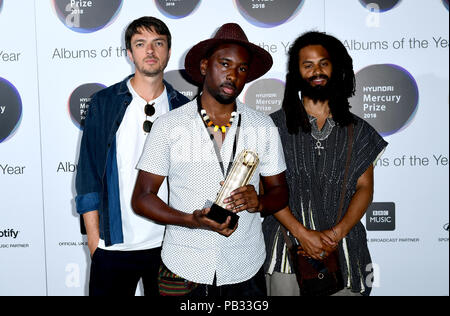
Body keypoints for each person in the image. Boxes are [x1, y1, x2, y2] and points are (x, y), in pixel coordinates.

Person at [131, 23, 289, 297]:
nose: (233, 75)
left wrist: (259, 201)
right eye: (224, 63)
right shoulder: (168, 126)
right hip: (183, 266)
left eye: (241, 68)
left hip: (244, 268)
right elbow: (142, 197)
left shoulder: (263, 126)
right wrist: (191, 220)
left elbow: (281, 192)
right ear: (205, 66)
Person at [263, 31, 388, 296]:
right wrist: (303, 233)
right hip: (286, 253)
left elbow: (365, 188)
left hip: (344, 253)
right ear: (297, 73)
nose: (316, 70)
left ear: (335, 68)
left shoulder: (359, 130)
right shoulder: (272, 126)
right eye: (307, 65)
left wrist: (336, 233)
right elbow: (266, 191)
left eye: (323, 63)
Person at [75, 16, 189, 296]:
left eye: (157, 43)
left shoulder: (184, 109)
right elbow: (88, 175)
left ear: (168, 51)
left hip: (169, 245)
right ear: (130, 53)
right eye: (141, 44)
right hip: (114, 246)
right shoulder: (104, 103)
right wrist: (94, 243)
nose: (150, 51)